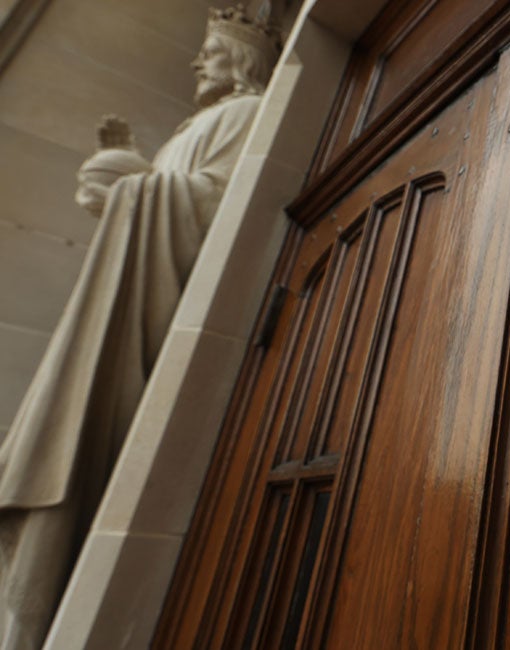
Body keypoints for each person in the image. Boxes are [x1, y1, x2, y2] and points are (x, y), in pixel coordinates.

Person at [0, 6, 280, 648]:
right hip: (118, 307)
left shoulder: (244, 113)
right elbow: (164, 202)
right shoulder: (197, 123)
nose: (197, 60)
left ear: (243, 59)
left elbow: (221, 209)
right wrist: (124, 180)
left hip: (160, 322)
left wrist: (137, 188)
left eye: (212, 49)